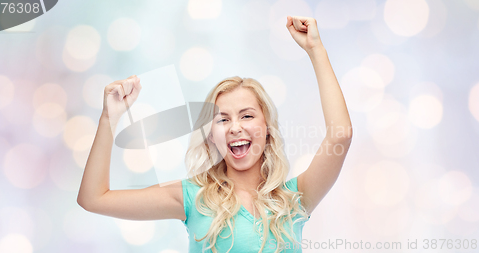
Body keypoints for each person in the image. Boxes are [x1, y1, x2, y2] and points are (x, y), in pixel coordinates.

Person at [77, 16, 352, 253]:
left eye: (247, 115)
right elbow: (93, 199)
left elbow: (340, 135)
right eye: (222, 120)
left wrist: (316, 49)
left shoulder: (295, 198)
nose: (235, 127)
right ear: (211, 136)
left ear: (267, 129)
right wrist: (108, 118)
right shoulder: (192, 197)